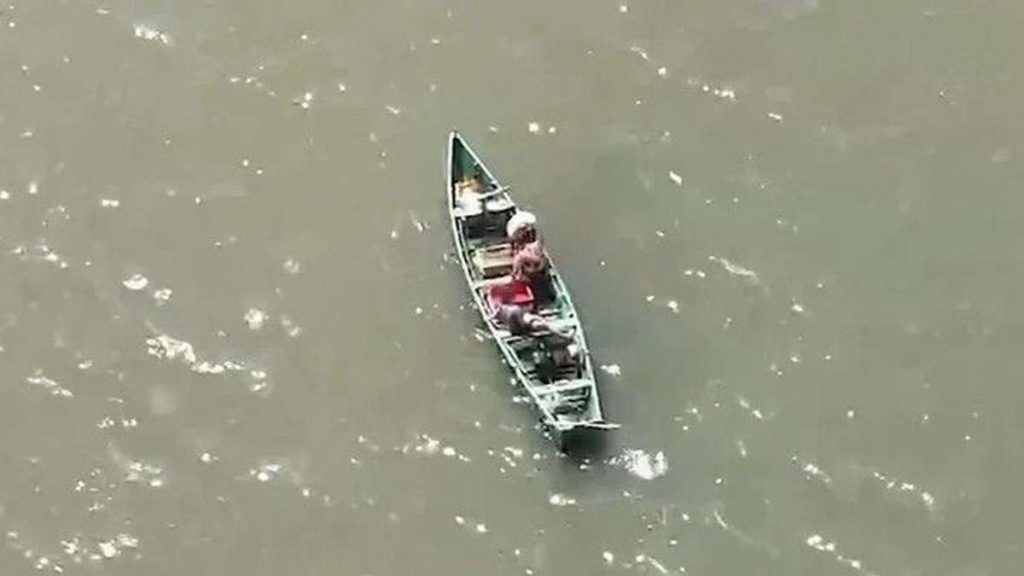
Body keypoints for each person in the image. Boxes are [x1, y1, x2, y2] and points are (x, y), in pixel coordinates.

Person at [491, 303, 575, 341]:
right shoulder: (509, 313)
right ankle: (566, 336)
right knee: (546, 326)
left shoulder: (508, 310)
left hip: (527, 318)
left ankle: (565, 334)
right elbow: (515, 330)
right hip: (528, 322)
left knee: (546, 323)